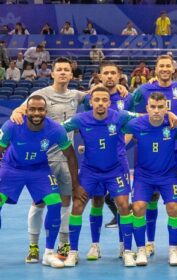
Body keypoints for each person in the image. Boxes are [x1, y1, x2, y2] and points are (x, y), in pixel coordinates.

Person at [10, 57, 127, 264]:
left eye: (66, 70)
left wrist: (118, 87)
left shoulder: (77, 95)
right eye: (59, 69)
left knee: (66, 202)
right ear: (52, 73)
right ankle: (34, 246)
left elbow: (99, 95)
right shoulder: (39, 95)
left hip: (65, 159)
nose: (63, 72)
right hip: (42, 160)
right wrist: (16, 111)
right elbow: (21, 110)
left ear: (71, 75)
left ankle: (64, 245)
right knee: (39, 203)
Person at [0, 95, 80, 268]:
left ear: (46, 111)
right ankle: (35, 246)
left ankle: (48, 254)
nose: (36, 113)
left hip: (39, 170)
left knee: (55, 203)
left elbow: (71, 156)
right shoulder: (12, 126)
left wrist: (75, 183)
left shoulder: (56, 130)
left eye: (40, 110)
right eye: (32, 109)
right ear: (26, 111)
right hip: (12, 168)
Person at [62, 87, 137, 267]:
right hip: (90, 171)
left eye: (105, 100)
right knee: (79, 205)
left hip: (115, 169)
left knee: (123, 205)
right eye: (97, 100)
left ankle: (126, 249)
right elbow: (56, 128)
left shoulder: (120, 115)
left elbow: (146, 116)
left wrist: (171, 116)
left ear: (109, 103)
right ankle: (77, 250)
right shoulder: (81, 119)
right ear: (91, 102)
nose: (101, 103)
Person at [132, 55, 177, 256]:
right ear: (155, 69)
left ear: (173, 69)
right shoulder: (143, 89)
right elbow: (127, 107)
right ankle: (149, 242)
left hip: (176, 150)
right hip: (149, 148)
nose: (165, 69)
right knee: (149, 198)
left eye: (168, 65)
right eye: (161, 66)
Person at [122, 92, 177, 266]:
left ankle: (173, 249)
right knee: (139, 207)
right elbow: (119, 130)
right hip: (144, 176)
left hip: (168, 175)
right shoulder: (135, 124)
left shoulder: (174, 123)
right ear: (147, 108)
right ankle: (141, 250)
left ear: (166, 108)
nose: (156, 110)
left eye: (160, 107)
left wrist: (173, 116)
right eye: (153, 107)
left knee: (174, 207)